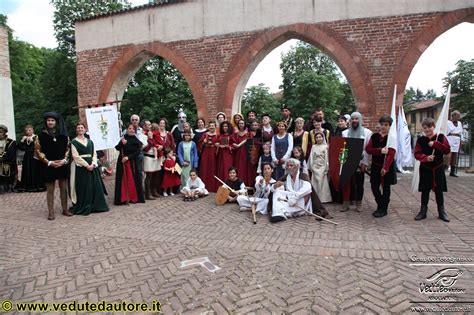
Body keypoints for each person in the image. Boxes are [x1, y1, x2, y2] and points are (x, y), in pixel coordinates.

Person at [35, 112, 72, 220]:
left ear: (56, 122)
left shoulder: (63, 135)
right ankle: (51, 212)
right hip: (48, 165)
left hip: (62, 165)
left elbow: (68, 149)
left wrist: (64, 160)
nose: (50, 122)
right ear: (46, 122)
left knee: (64, 188)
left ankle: (65, 209)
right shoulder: (40, 136)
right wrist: (49, 162)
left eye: (52, 120)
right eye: (48, 121)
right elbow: (38, 151)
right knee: (50, 189)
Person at [414, 117, 451, 222]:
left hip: (438, 168)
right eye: (425, 128)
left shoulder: (440, 137)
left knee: (439, 190)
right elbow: (417, 154)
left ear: (434, 127)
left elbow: (447, 149)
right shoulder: (421, 140)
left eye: (429, 127)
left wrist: (435, 144)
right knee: (425, 190)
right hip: (425, 169)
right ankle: (423, 211)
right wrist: (426, 158)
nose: (427, 129)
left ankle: (442, 212)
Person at [69, 122, 109, 215]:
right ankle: (84, 206)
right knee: (84, 187)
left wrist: (94, 164)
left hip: (92, 167)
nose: (80, 129)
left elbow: (94, 154)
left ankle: (96, 206)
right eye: (78, 128)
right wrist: (86, 165)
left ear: (85, 129)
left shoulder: (90, 141)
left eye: (82, 128)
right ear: (76, 130)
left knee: (94, 185)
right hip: (81, 168)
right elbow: (76, 157)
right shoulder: (73, 142)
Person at [365, 115, 397, 218]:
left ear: (389, 126)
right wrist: (380, 151)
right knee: (374, 186)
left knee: (386, 187)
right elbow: (368, 149)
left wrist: (386, 168)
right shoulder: (374, 136)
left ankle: (384, 209)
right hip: (376, 165)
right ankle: (380, 204)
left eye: (386, 125)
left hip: (387, 167)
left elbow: (391, 153)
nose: (383, 126)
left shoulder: (391, 138)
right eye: (382, 124)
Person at [341, 112, 372, 212]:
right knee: (346, 183)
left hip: (360, 162)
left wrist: (365, 163)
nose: (354, 121)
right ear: (350, 121)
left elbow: (367, 150)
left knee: (359, 183)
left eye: (356, 119)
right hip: (348, 162)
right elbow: (343, 148)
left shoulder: (367, 133)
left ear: (360, 120)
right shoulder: (344, 133)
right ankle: (346, 203)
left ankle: (359, 203)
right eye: (353, 119)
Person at [269, 158, 313, 223]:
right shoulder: (286, 177)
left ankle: (284, 211)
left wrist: (295, 197)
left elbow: (308, 188)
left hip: (299, 201)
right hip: (289, 201)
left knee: (307, 192)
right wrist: (275, 186)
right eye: (288, 166)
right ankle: (278, 214)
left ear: (297, 166)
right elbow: (272, 190)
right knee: (277, 191)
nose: (289, 167)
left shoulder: (303, 176)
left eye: (291, 165)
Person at [114, 123, 145, 205]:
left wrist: (128, 157)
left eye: (133, 129)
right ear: (127, 130)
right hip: (122, 162)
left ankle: (133, 197)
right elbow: (117, 148)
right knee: (123, 180)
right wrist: (122, 144)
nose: (131, 130)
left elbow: (137, 152)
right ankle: (123, 198)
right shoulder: (123, 139)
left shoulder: (136, 141)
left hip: (132, 162)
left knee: (132, 180)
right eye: (130, 128)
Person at [15, 124, 45, 192]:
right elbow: (21, 148)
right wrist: (22, 141)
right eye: (27, 131)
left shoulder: (36, 137)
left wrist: (33, 141)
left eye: (30, 130)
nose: (28, 132)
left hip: (35, 155)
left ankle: (36, 186)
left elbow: (40, 146)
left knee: (34, 169)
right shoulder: (25, 138)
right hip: (27, 156)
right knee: (27, 169)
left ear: (32, 130)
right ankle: (27, 186)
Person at [308, 132, 332, 204]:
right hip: (315, 166)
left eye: (320, 137)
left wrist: (326, 167)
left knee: (322, 182)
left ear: (323, 138)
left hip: (322, 166)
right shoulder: (313, 146)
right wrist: (311, 166)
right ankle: (315, 198)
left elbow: (327, 158)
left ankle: (324, 198)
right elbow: (311, 157)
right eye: (317, 137)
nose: (318, 138)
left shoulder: (325, 147)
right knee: (315, 182)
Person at [154, 118, 176, 196]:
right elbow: (153, 143)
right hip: (160, 156)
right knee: (159, 174)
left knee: (170, 173)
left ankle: (171, 189)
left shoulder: (169, 134)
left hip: (168, 157)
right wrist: (157, 146)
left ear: (165, 125)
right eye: (160, 123)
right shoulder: (155, 133)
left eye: (163, 123)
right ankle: (160, 190)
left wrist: (173, 155)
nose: (162, 124)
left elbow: (173, 145)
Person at [198, 121, 219, 192]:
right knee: (204, 168)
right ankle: (204, 186)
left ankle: (212, 187)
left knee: (212, 169)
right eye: (210, 126)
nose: (211, 127)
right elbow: (200, 145)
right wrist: (203, 142)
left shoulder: (217, 135)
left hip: (213, 154)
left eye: (213, 126)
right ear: (208, 127)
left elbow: (221, 144)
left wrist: (218, 145)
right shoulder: (205, 135)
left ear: (215, 126)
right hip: (206, 154)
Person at [143, 121, 162, 200]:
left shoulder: (154, 133)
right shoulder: (143, 135)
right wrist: (150, 139)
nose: (149, 126)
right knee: (149, 176)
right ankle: (148, 193)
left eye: (150, 124)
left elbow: (160, 142)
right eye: (147, 125)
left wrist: (160, 146)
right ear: (144, 126)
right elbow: (145, 148)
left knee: (156, 174)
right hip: (148, 156)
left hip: (156, 156)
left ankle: (154, 191)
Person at [231, 119, 250, 186]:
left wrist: (239, 145)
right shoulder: (235, 134)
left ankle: (244, 185)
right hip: (237, 154)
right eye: (240, 123)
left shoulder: (248, 134)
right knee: (237, 168)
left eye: (242, 123)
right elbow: (231, 142)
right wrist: (234, 144)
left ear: (244, 124)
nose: (241, 125)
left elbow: (249, 142)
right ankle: (236, 185)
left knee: (244, 169)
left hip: (245, 153)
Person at [0, 124, 17, 194]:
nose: (0, 134)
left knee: (6, 167)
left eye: (1, 132)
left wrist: (3, 159)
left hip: (7, 162)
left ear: (4, 133)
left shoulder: (11, 142)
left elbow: (12, 154)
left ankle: (8, 187)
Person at [447, 110, 463, 177]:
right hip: (450, 139)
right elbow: (446, 131)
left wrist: (461, 140)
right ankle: (443, 169)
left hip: (457, 140)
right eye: (458, 116)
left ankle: (452, 172)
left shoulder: (459, 123)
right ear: (453, 116)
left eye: (459, 116)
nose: (459, 117)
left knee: (455, 156)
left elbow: (461, 132)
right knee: (448, 156)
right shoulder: (448, 122)